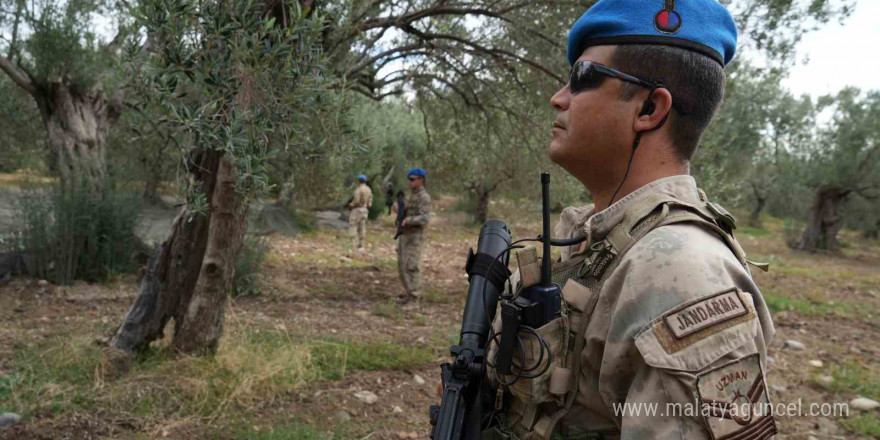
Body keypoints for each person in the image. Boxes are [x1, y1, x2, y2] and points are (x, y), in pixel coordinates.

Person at [490, 1, 777, 439]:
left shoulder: (681, 273)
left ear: (648, 110)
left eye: (582, 79)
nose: (558, 97)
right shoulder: (590, 234)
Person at [393, 168, 432, 301]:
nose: (409, 182)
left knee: (411, 265)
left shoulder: (424, 197)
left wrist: (410, 220)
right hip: (404, 233)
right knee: (402, 264)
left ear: (421, 180)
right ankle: (408, 291)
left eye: (412, 179)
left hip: (414, 235)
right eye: (409, 179)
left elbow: (425, 217)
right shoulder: (410, 195)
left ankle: (414, 297)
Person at [347, 174, 372, 252]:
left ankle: (353, 244)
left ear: (358, 181)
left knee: (353, 225)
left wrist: (350, 205)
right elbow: (370, 204)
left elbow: (356, 201)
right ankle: (361, 245)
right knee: (362, 227)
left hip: (357, 210)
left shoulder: (358, 190)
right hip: (365, 210)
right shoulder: (369, 190)